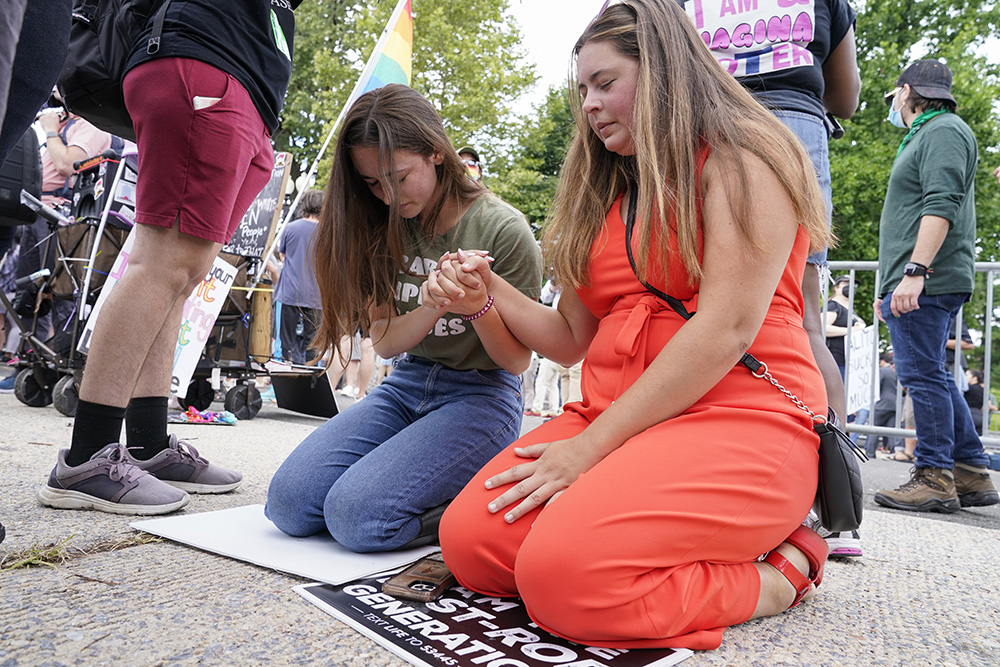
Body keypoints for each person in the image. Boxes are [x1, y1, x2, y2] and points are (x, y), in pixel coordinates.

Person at [438, 0, 833, 650]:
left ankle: (777, 575)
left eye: (605, 83)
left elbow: (727, 329)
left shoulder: (744, 159)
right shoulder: (607, 189)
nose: (589, 105)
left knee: (564, 580)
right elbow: (569, 338)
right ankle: (640, 542)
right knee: (472, 543)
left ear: (665, 73)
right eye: (582, 89)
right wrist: (489, 293)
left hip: (742, 419)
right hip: (617, 419)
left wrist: (586, 453)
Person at [37, 0, 303, 515]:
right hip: (205, 58)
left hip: (244, 79)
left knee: (182, 274)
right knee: (163, 266)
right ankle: (86, 457)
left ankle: (148, 444)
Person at [265, 84, 543, 553]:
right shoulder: (376, 222)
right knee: (288, 505)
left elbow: (515, 362)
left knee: (357, 519)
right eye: (373, 183)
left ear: (436, 152)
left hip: (481, 395)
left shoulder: (502, 229)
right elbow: (388, 343)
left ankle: (457, 507)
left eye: (397, 177)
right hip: (406, 385)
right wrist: (434, 303)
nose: (388, 196)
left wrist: (476, 305)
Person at [873, 59, 999, 513]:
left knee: (922, 376)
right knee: (934, 376)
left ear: (906, 91)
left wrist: (915, 272)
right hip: (917, 277)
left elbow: (940, 203)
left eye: (894, 97)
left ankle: (934, 475)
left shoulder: (942, 129)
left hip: (927, 277)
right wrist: (892, 281)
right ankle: (968, 469)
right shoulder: (932, 132)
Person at [0, 0, 74, 550]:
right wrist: (49, 127)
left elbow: (72, 164)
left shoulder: (88, 125)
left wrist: (52, 127)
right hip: (37, 206)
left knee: (42, 299)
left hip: (59, 216)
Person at [274, 189, 323, 365]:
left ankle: (279, 384)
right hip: (316, 295)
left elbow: (282, 256)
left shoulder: (290, 227)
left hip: (289, 292)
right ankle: (309, 384)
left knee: (284, 344)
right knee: (313, 346)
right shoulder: (327, 232)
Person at [871, 353, 903, 456]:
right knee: (891, 432)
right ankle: (894, 452)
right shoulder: (897, 373)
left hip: (881, 404)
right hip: (894, 405)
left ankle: (870, 452)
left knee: (874, 430)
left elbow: (876, 387)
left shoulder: (882, 371)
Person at [964, 369, 996, 436]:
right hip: (979, 416)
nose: (964, 377)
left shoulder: (966, 389)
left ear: (975, 378)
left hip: (967, 415)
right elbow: (987, 405)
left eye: (966, 375)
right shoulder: (983, 390)